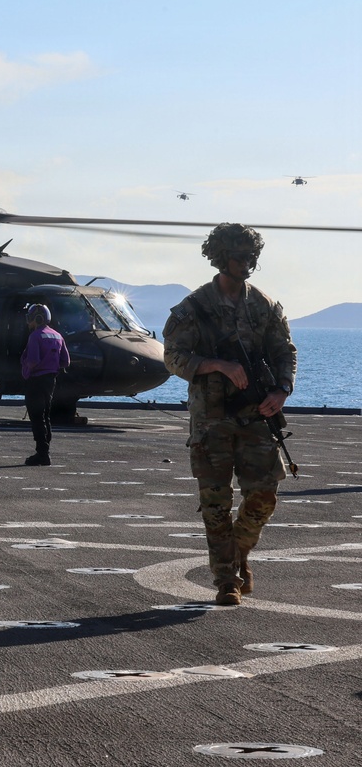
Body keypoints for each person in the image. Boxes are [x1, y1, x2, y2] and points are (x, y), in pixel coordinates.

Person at [163, 222, 297, 607]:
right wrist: (216, 365)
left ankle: (238, 553)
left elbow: (284, 351)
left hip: (257, 415)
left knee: (264, 495)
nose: (247, 263)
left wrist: (281, 391)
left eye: (251, 256)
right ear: (222, 258)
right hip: (212, 419)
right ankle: (227, 580)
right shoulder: (194, 308)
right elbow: (173, 356)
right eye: (240, 256)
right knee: (216, 503)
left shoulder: (264, 305)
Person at [20, 304, 70, 466]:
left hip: (36, 381)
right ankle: (45, 451)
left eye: (30, 318)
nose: (28, 322)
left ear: (37, 318)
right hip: (50, 381)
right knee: (45, 416)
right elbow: (65, 361)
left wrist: (26, 364)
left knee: (36, 416)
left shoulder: (35, 336)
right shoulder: (57, 335)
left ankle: (42, 454)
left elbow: (33, 361)